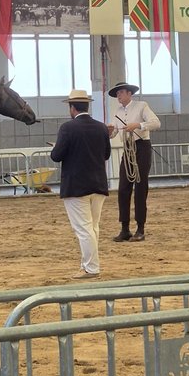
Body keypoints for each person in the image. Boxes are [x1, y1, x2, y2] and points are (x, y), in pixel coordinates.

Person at [50, 89, 112, 279]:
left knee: (84, 229)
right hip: (98, 183)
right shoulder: (101, 127)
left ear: (72, 108)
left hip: (76, 186)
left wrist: (56, 147)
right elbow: (106, 154)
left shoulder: (67, 128)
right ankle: (89, 264)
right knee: (93, 227)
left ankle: (91, 267)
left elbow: (56, 156)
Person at [107, 81, 161, 241]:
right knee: (123, 187)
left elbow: (156, 123)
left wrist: (138, 125)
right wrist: (110, 131)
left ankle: (140, 228)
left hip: (142, 147)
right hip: (128, 148)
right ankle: (124, 228)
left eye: (121, 93)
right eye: (117, 94)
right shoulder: (117, 111)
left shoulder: (142, 106)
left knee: (140, 186)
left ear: (129, 93)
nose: (118, 96)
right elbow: (114, 133)